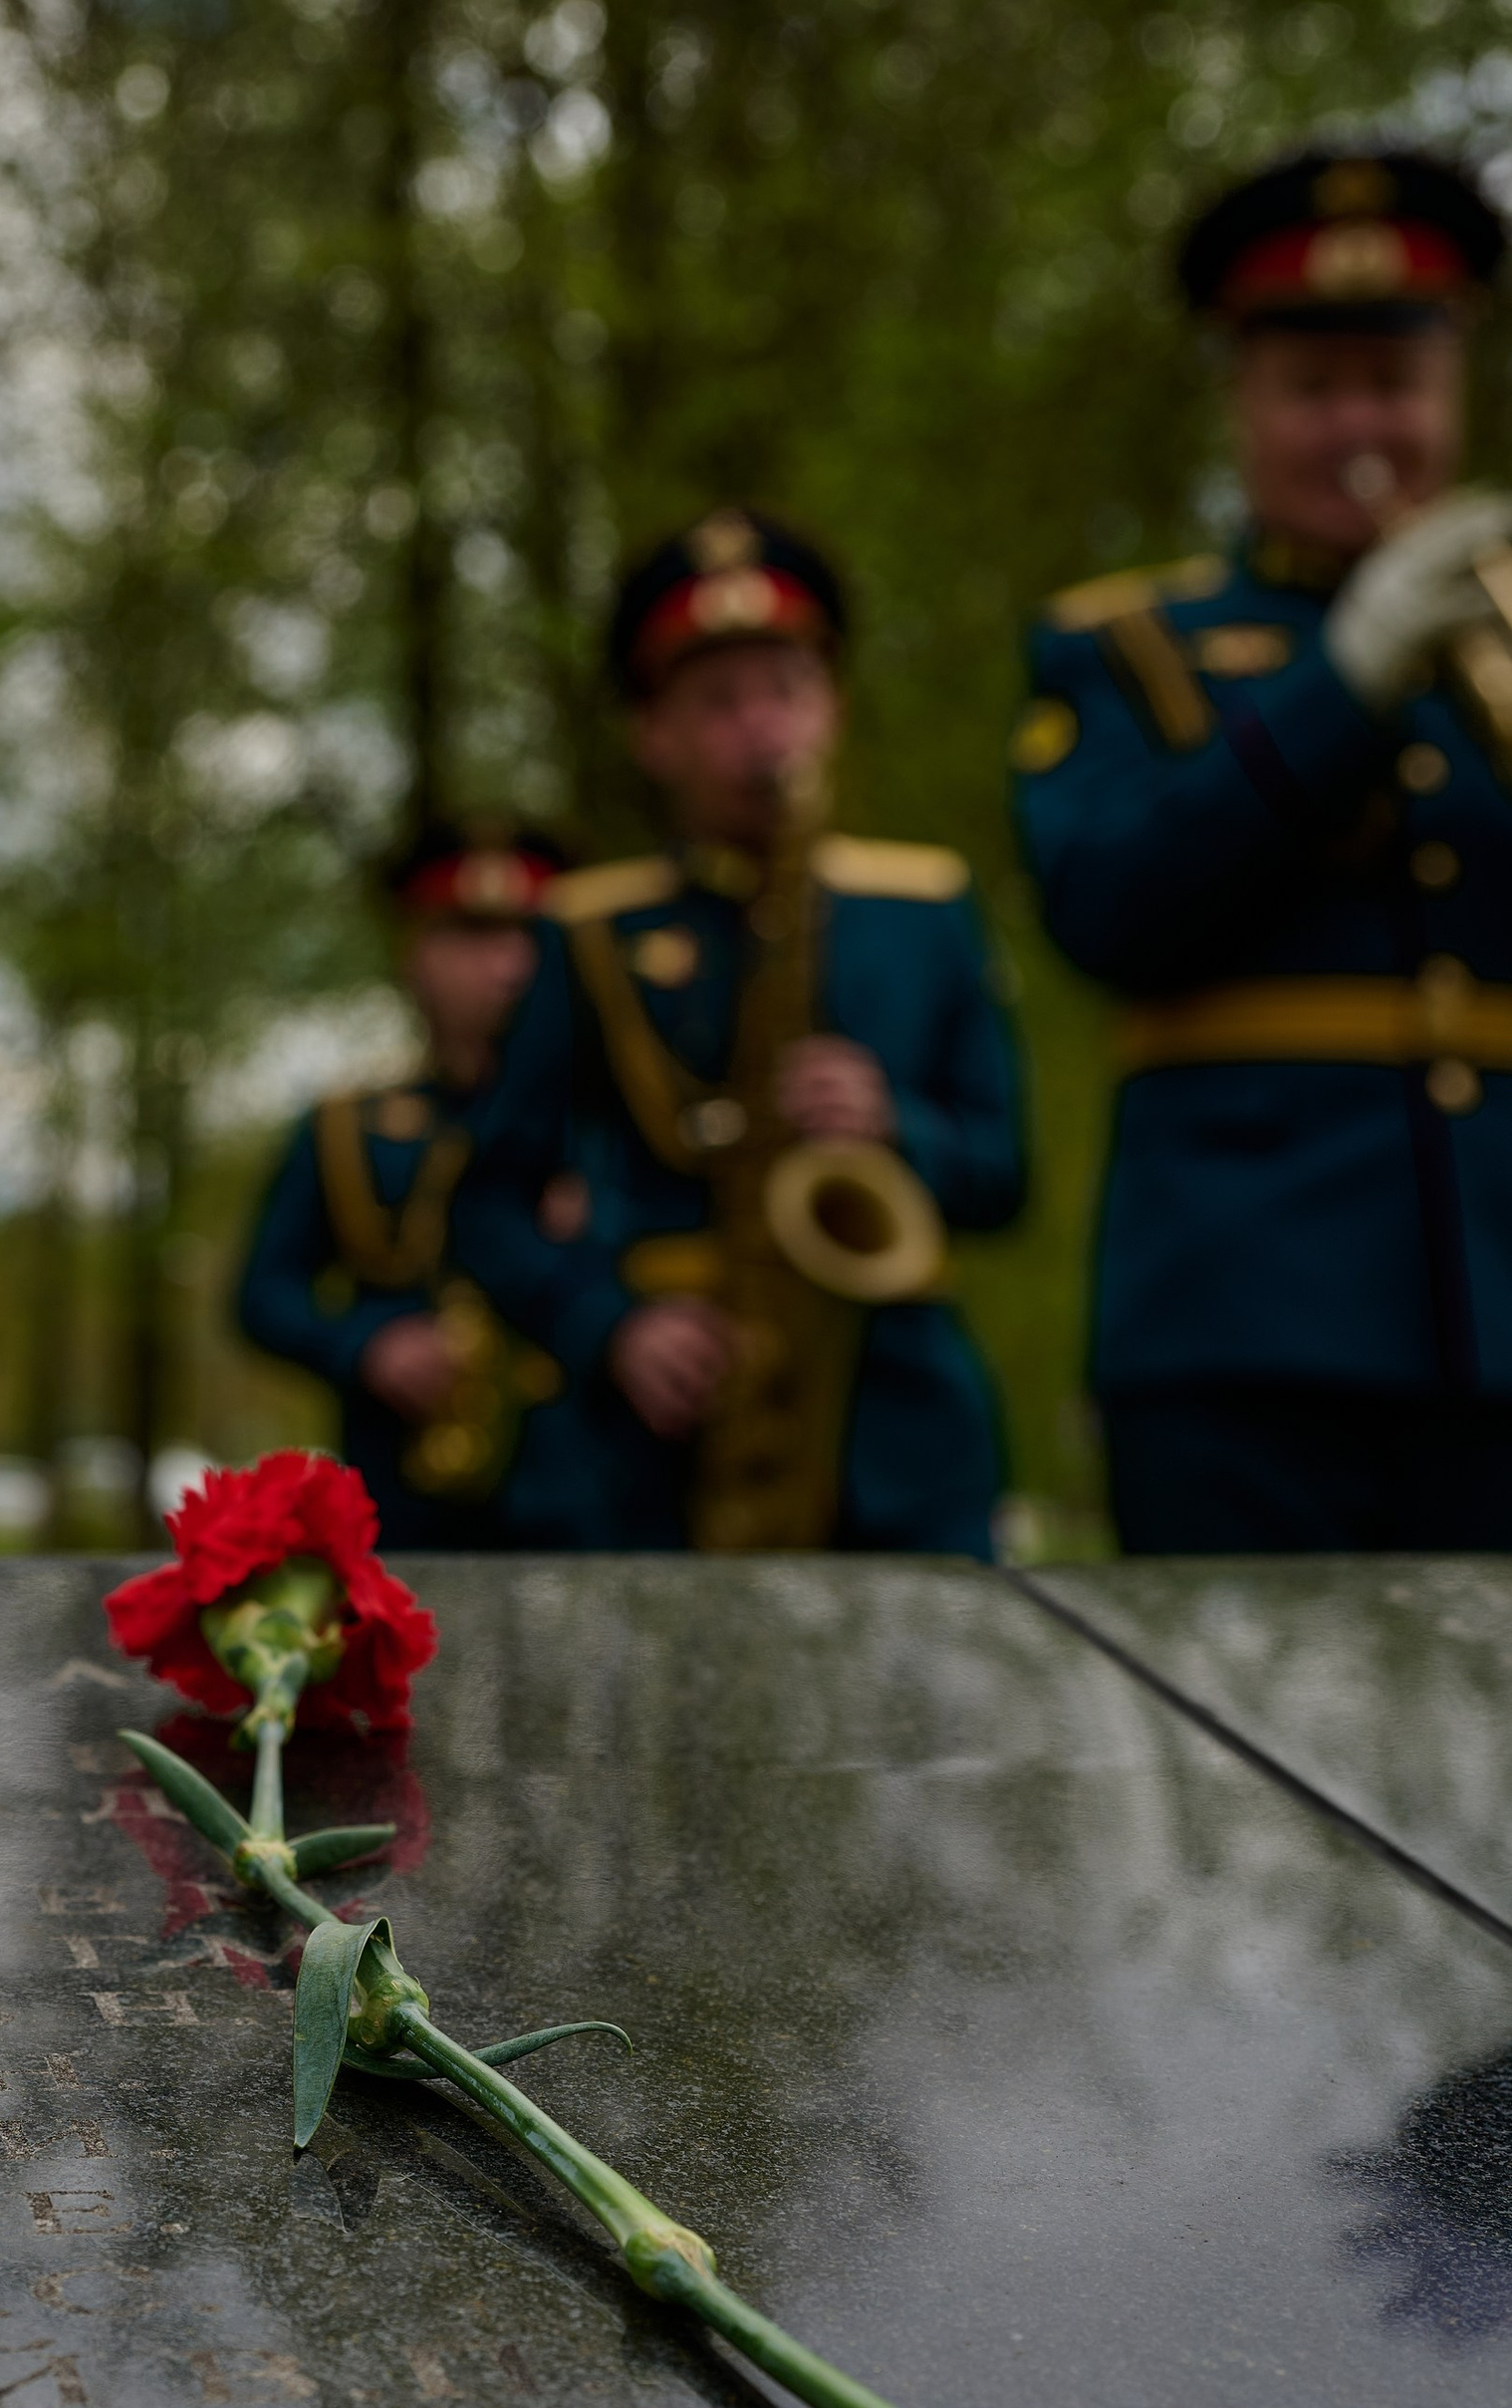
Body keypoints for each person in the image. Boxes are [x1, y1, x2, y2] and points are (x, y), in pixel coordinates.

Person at [1012, 145, 1512, 1549]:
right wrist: (1343, 683)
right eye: (1314, 391)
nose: (1364, 425)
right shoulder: (1124, 645)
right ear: (1241, 398)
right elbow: (1107, 908)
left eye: (1399, 387)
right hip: (1240, 1327)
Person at [454, 514, 1024, 1552]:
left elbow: (1004, 1172)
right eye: (717, 702)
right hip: (655, 1442)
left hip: (897, 1429)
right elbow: (486, 1200)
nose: (761, 727)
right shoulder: (590, 929)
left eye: (786, 690)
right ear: (652, 735)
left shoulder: (925, 906)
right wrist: (605, 1326)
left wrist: (898, 1127)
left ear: (835, 708)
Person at [235, 818, 603, 1547]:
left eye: (531, 939)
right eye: (472, 937)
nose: (510, 967)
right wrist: (366, 1346)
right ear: (415, 953)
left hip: (594, 1503)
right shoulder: (348, 1129)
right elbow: (262, 1293)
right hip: (410, 1504)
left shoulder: (612, 1133)